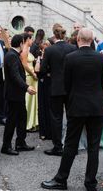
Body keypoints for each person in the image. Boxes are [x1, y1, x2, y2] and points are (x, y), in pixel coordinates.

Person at [41, 28, 103, 191]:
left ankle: (61, 179)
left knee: (70, 144)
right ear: (92, 40)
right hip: (96, 106)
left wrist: (71, 101)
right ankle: (90, 183)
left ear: (78, 39)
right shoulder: (100, 58)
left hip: (77, 106)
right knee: (93, 147)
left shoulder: (71, 58)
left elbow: (67, 84)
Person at [40, 25, 76, 156]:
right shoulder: (72, 48)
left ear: (54, 35)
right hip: (71, 87)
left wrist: (51, 72)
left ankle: (57, 146)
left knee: (56, 117)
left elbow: (43, 69)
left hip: (55, 86)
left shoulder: (50, 50)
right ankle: (71, 146)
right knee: (72, 117)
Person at [1, 34, 37, 155]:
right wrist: (27, 87)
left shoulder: (13, 54)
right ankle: (6, 146)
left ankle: (20, 143)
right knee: (12, 121)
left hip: (17, 93)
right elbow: (15, 76)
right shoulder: (12, 56)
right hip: (13, 94)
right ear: (21, 44)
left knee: (22, 118)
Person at [36, 39, 52, 140]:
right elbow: (37, 70)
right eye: (43, 48)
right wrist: (39, 58)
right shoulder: (40, 58)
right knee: (42, 107)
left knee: (50, 107)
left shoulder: (51, 58)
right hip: (42, 84)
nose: (44, 50)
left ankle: (50, 131)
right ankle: (43, 132)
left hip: (49, 84)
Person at [23, 34, 39, 131]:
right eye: (31, 39)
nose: (32, 40)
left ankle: (33, 122)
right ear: (27, 39)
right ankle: (28, 123)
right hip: (29, 76)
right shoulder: (24, 50)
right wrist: (33, 74)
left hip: (32, 76)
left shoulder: (27, 49)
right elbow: (25, 65)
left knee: (33, 100)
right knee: (28, 100)